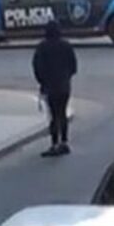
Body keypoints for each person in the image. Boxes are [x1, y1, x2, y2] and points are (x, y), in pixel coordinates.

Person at [32, 22, 77, 156]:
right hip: (64, 86)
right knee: (62, 113)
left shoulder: (42, 47)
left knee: (53, 115)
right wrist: (66, 77)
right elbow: (73, 67)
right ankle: (64, 141)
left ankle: (54, 143)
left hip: (49, 86)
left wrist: (42, 82)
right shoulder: (66, 46)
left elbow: (37, 67)